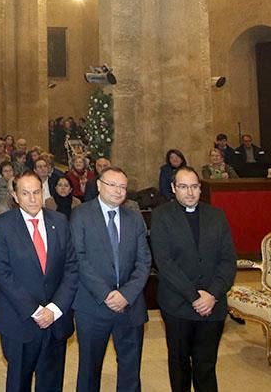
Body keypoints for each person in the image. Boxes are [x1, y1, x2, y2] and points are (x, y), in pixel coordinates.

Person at [150, 167, 236, 392]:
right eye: (183, 186)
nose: (190, 192)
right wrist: (194, 296)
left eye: (194, 186)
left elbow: (228, 260)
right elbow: (164, 262)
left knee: (206, 365)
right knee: (179, 365)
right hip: (178, 304)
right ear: (173, 188)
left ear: (200, 188)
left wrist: (213, 294)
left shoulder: (216, 215)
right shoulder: (161, 215)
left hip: (213, 304)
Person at [0, 171, 78, 392]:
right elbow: (2, 272)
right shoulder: (4, 224)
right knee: (18, 382)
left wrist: (54, 308)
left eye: (36, 192)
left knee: (51, 382)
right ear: (15, 195)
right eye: (26, 193)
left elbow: (71, 268)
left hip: (56, 320)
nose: (32, 198)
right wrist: (35, 311)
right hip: (20, 319)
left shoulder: (59, 221)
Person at [70, 167, 151, 392]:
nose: (118, 191)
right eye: (112, 185)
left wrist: (126, 294)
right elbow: (78, 258)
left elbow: (144, 261)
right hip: (93, 306)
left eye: (123, 187)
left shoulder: (134, 218)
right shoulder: (81, 215)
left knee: (130, 370)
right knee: (89, 370)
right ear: (99, 185)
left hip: (130, 305)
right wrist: (106, 294)